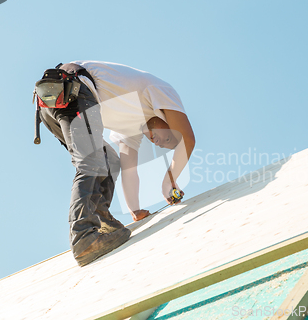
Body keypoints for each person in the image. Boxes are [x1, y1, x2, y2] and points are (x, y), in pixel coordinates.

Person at [33, 61, 195, 267]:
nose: (160, 144)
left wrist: (134, 210)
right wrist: (169, 180)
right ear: (167, 118)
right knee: (91, 162)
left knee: (109, 161)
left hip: (52, 102)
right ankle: (83, 236)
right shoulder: (162, 91)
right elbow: (188, 140)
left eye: (164, 146)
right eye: (169, 138)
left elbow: (129, 170)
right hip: (70, 88)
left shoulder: (132, 129)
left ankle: (102, 223)